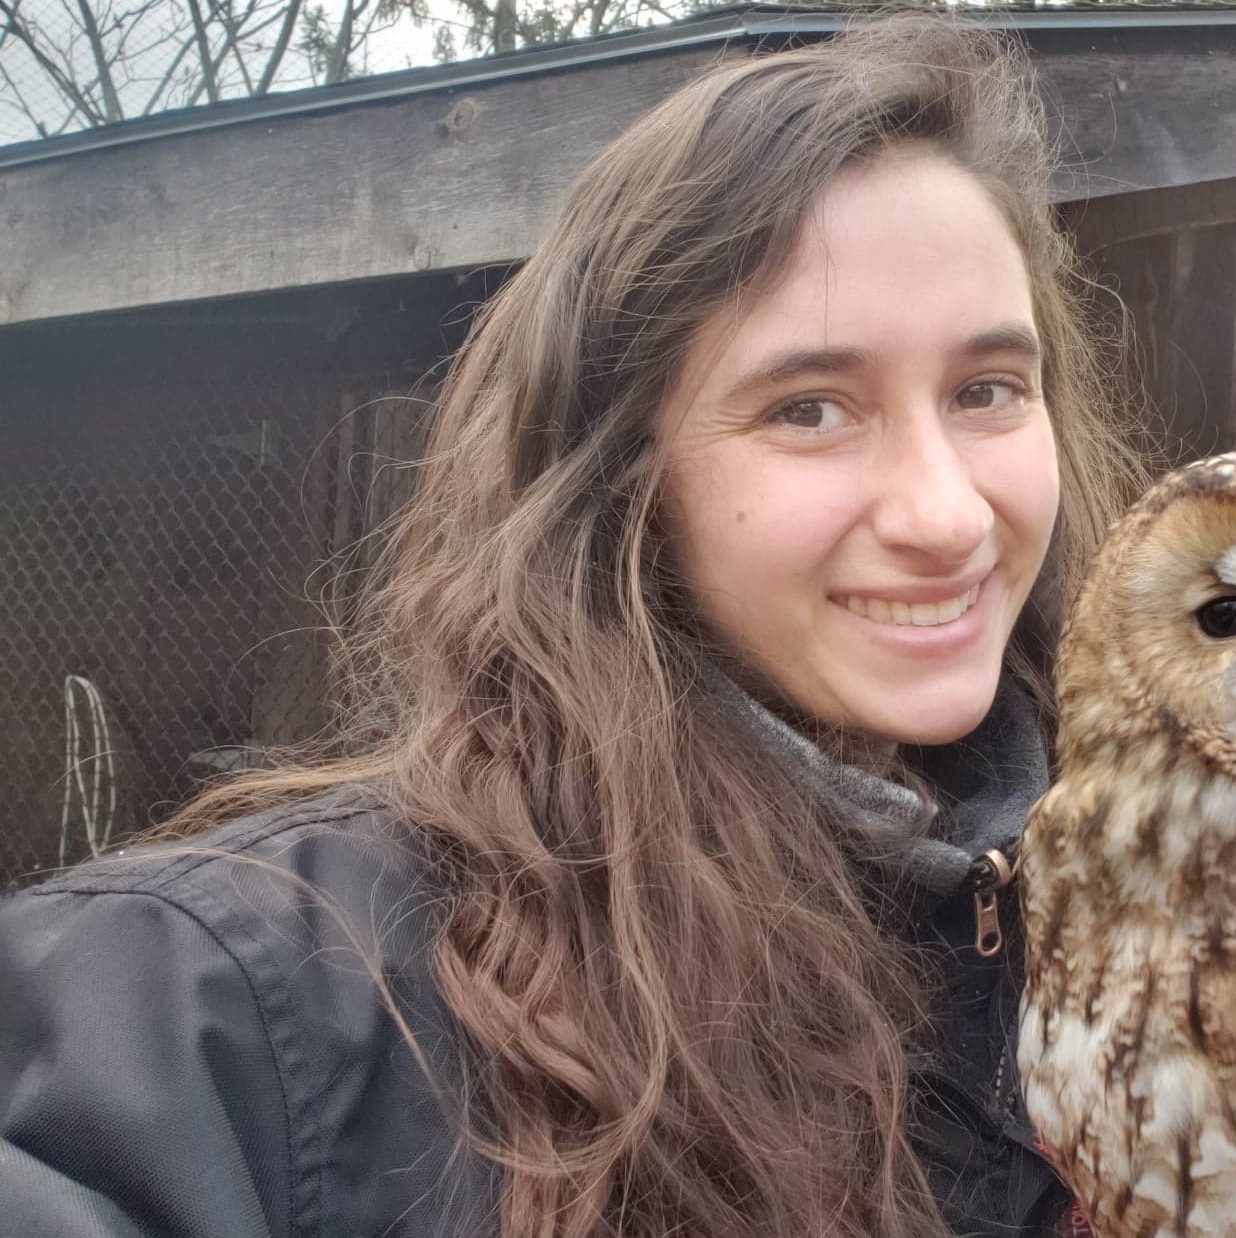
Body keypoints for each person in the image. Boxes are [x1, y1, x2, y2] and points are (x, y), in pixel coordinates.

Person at [0, 17, 1147, 1237]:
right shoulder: (216, 1014)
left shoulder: (1179, 926)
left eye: (986, 391)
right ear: (623, 481)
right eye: (809, 408)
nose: (947, 512)